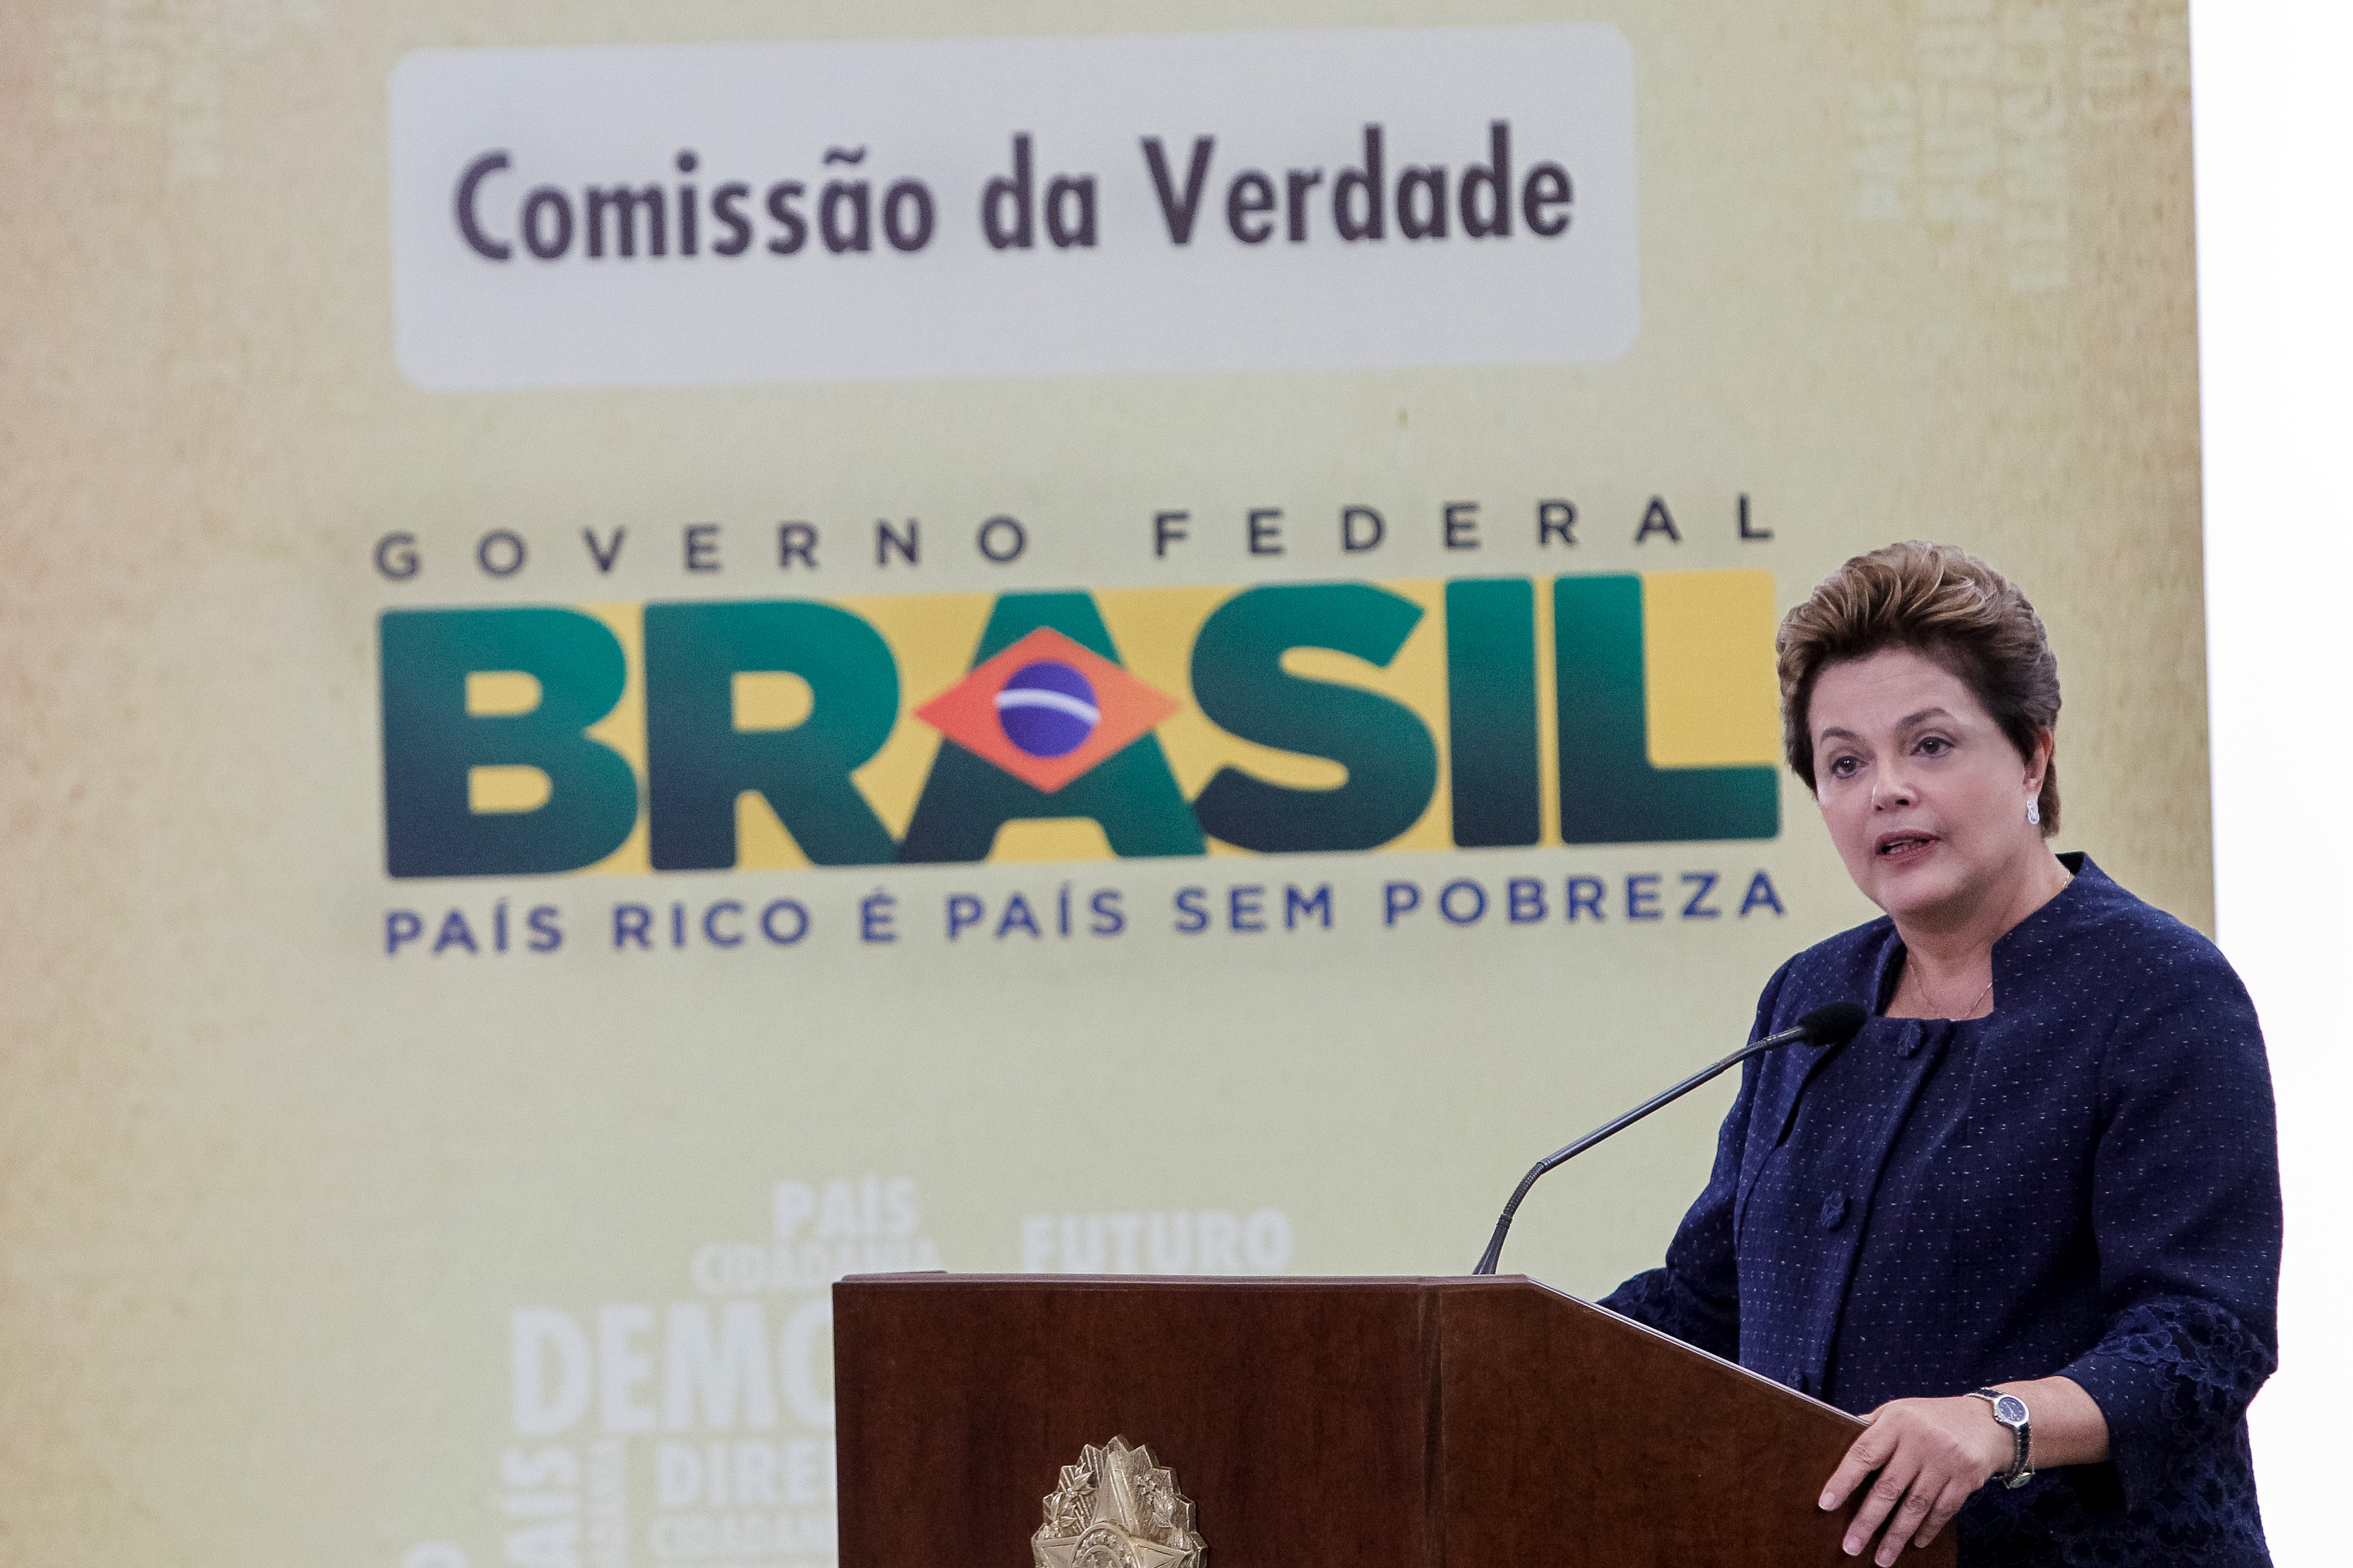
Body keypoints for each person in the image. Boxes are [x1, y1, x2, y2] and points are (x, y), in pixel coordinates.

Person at [1600, 541, 2281, 1567]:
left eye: (1928, 745)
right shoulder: (1810, 997)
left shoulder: (2156, 987)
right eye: (1844, 762)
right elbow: (1710, 1300)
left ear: (2032, 756)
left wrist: (1998, 1421)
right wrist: (1495, 1349)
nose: (1885, 789)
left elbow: (2203, 1332)